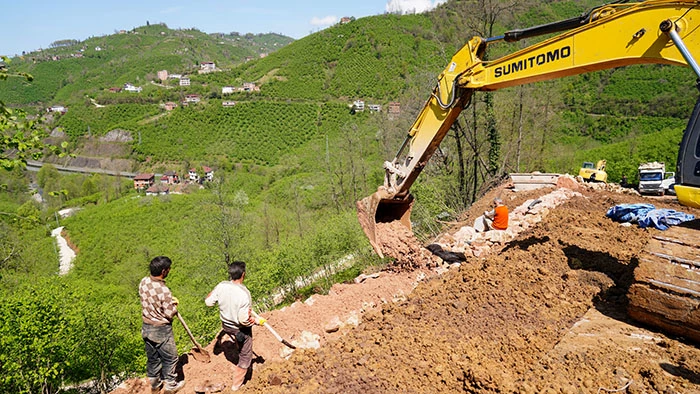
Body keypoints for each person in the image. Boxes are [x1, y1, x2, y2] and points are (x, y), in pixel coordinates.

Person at [205, 261, 264, 391]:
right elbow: (244, 320)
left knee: (238, 339)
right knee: (245, 356)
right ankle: (236, 386)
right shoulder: (244, 293)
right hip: (240, 329)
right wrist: (256, 321)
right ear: (243, 274)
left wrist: (214, 292)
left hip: (226, 325)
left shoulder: (221, 286)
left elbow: (208, 302)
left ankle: (238, 345)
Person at [139, 256, 185, 394]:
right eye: (169, 269)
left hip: (146, 326)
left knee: (153, 358)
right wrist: (174, 305)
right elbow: (169, 313)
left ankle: (155, 385)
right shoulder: (164, 290)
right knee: (171, 358)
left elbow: (151, 298)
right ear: (164, 271)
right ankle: (171, 385)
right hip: (161, 328)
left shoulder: (143, 282)